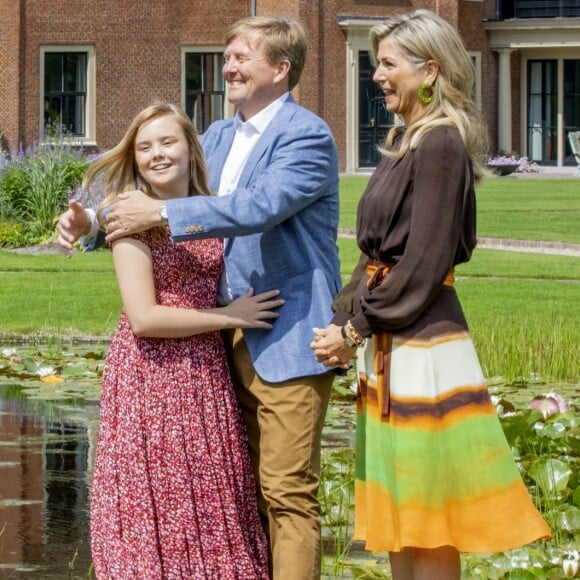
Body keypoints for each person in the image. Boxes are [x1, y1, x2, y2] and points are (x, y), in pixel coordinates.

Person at [56, 16, 341, 580]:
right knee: (233, 499)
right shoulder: (215, 136)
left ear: (281, 70)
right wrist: (91, 224)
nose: (228, 66)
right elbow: (159, 193)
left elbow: (255, 207)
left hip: (284, 336)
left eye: (242, 57)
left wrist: (159, 213)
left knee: (286, 496)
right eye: (229, 55)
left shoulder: (307, 136)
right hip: (213, 348)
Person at [311, 9, 551, 580]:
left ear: (430, 71)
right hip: (394, 341)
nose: (377, 76)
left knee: (430, 513)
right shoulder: (404, 140)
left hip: (423, 347)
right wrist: (347, 314)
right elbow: (376, 251)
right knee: (401, 509)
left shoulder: (440, 144)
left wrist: (353, 329)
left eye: (387, 64)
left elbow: (424, 262)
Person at [87, 101, 284, 578]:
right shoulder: (129, 223)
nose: (157, 154)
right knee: (161, 490)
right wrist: (227, 316)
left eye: (167, 142)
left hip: (205, 376)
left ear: (190, 148)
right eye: (144, 147)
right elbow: (145, 319)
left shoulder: (210, 209)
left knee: (212, 489)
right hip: (150, 377)